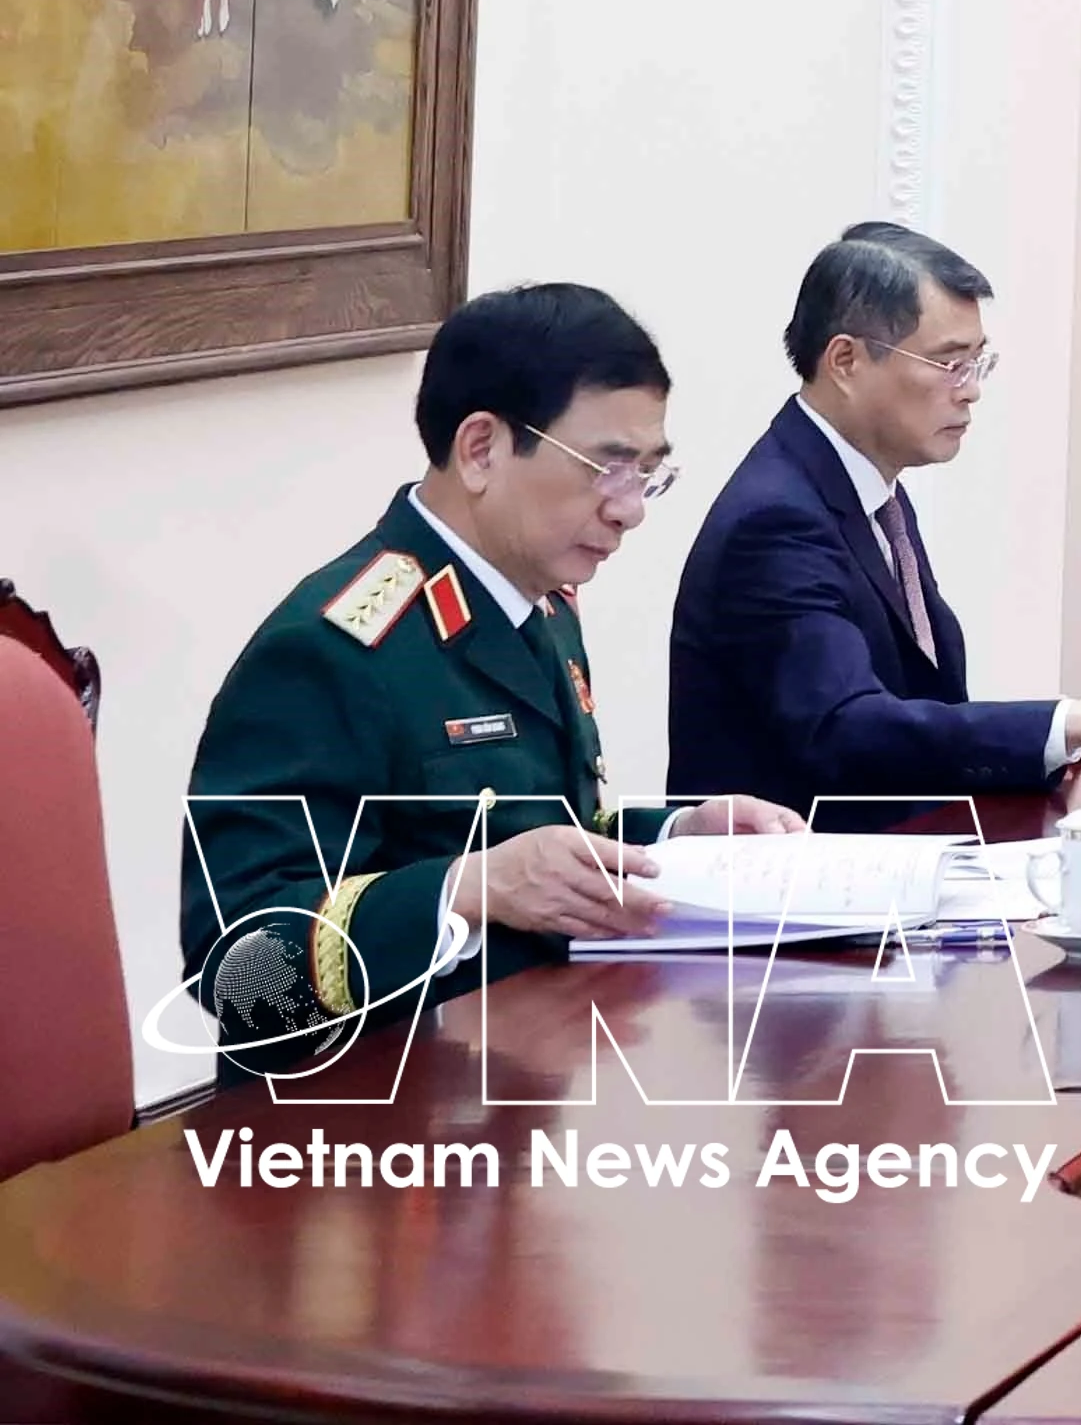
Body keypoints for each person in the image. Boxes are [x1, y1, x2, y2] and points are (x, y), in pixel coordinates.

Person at [177, 284, 802, 1079]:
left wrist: (676, 838)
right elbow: (235, 972)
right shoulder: (331, 650)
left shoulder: (538, 605)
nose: (631, 510)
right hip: (369, 1115)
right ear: (480, 450)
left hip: (523, 1077)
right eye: (607, 468)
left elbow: (538, 833)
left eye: (648, 474)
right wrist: (464, 889)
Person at [667, 223, 1081, 815]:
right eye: (949, 363)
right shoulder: (777, 520)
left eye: (977, 362)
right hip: (785, 866)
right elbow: (845, 728)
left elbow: (923, 704)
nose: (971, 391)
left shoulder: (871, 493)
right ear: (846, 361)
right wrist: (1074, 721)